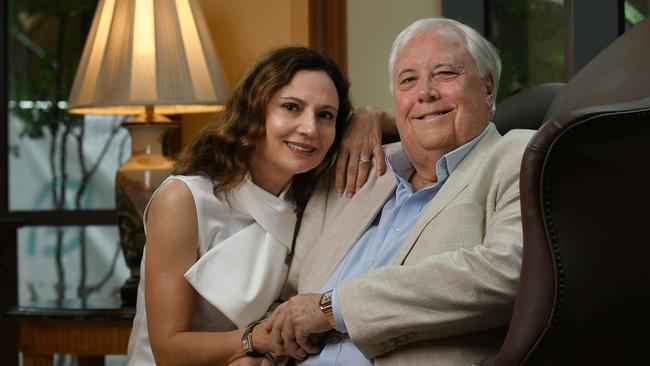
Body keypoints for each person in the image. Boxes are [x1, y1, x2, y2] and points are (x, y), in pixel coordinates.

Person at [259, 17, 537, 365]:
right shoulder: (357, 167)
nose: (426, 92)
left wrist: (333, 309)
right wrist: (262, 355)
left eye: (446, 73)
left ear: (488, 88)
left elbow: (509, 273)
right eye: (409, 80)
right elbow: (286, 297)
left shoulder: (521, 156)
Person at [126, 46, 356, 365]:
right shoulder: (183, 199)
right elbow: (167, 350)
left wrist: (371, 119)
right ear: (254, 110)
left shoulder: (316, 201)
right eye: (291, 107)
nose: (309, 129)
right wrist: (254, 341)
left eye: (325, 115)